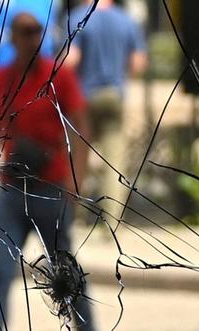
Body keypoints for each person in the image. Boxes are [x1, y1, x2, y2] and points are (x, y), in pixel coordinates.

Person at [0, 10, 98, 331]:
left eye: (37, 31)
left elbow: (81, 128)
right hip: (11, 189)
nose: (32, 37)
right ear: (13, 38)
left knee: (62, 268)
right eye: (25, 32)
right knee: (0, 269)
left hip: (51, 189)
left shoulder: (60, 77)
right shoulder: (1, 78)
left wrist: (75, 179)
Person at [64, 0, 148, 222]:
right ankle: (112, 222)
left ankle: (75, 216)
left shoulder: (79, 17)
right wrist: (119, 74)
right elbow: (138, 62)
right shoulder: (126, 20)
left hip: (84, 98)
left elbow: (72, 59)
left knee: (78, 159)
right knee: (114, 161)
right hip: (114, 95)